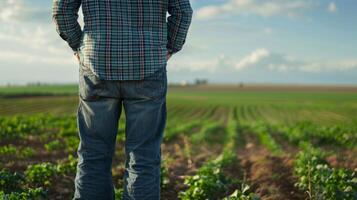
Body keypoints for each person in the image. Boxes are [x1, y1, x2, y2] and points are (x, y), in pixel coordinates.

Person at [52, 0, 193, 199]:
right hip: (148, 65)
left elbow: (62, 11)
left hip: (97, 64)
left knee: (93, 153)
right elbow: (182, 12)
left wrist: (79, 46)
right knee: (144, 156)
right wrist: (169, 47)